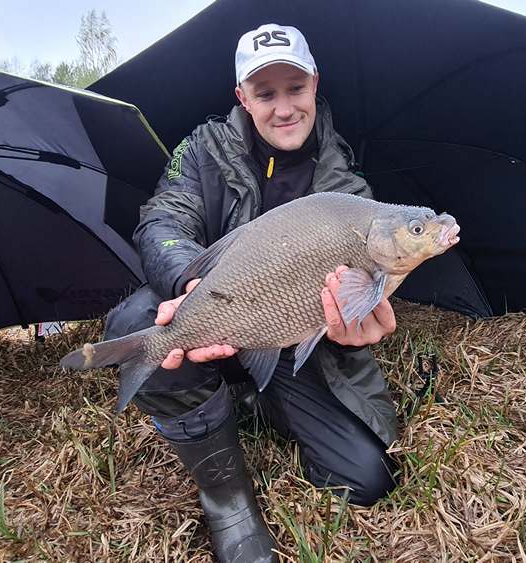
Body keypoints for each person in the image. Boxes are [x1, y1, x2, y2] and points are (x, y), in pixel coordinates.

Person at [103, 23, 399, 562]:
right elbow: (162, 221)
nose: (283, 108)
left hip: (287, 346)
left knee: (365, 480)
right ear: (242, 97)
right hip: (215, 316)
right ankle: (227, 499)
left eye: (295, 89)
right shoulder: (201, 150)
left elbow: (357, 299)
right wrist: (188, 283)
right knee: (137, 320)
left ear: (315, 85)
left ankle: (252, 399)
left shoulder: (348, 190)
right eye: (265, 93)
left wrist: (354, 336)